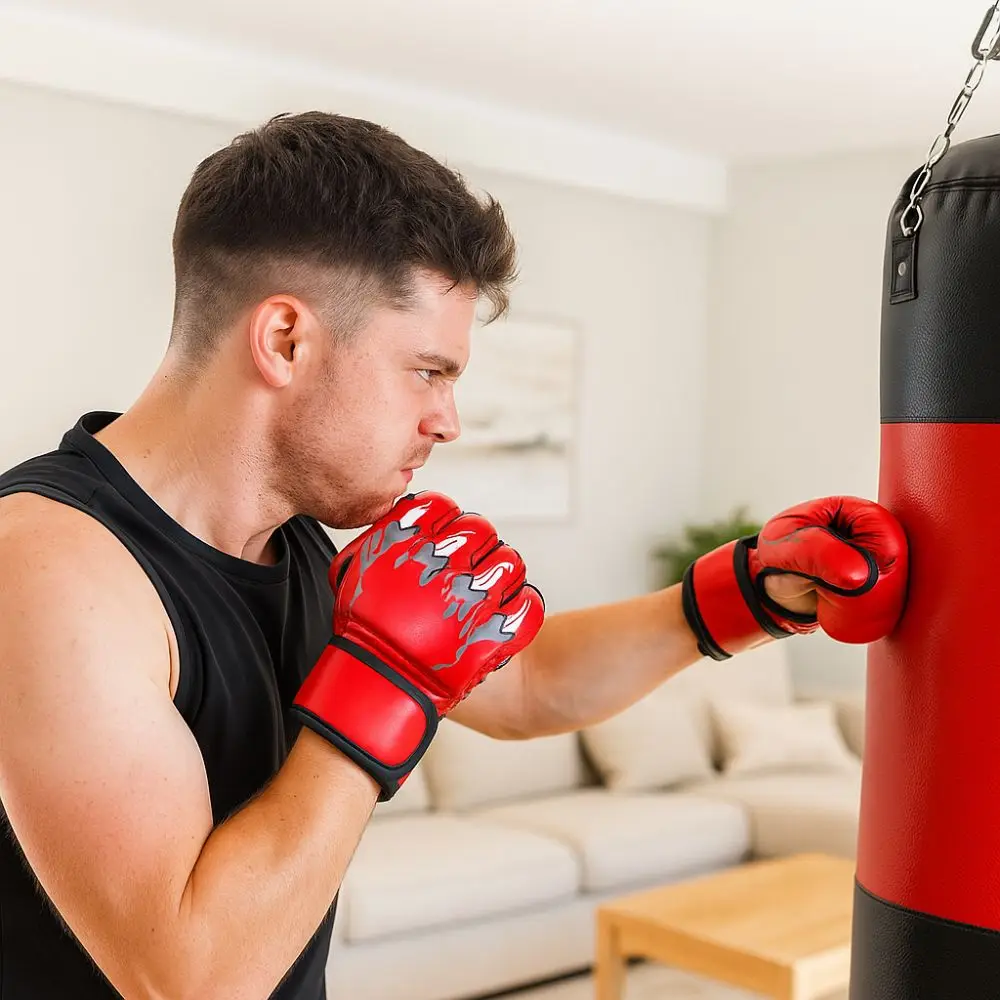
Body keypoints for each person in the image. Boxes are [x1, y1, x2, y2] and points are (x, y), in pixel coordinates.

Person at [0, 111, 907, 1000]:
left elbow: (530, 684)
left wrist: (740, 598)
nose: (448, 420)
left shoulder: (298, 543)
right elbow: (195, 979)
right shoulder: (52, 570)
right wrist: (382, 681)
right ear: (285, 340)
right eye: (428, 371)